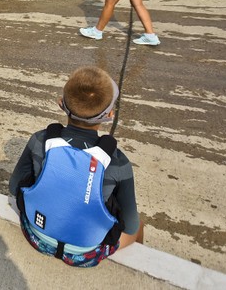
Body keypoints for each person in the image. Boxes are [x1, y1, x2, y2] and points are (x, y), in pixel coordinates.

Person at [8, 66, 144, 268]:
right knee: (140, 225)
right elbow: (130, 225)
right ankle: (136, 267)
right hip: (84, 254)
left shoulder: (39, 140)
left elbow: (14, 187)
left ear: (61, 104)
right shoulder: (118, 161)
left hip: (36, 236)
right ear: (110, 115)